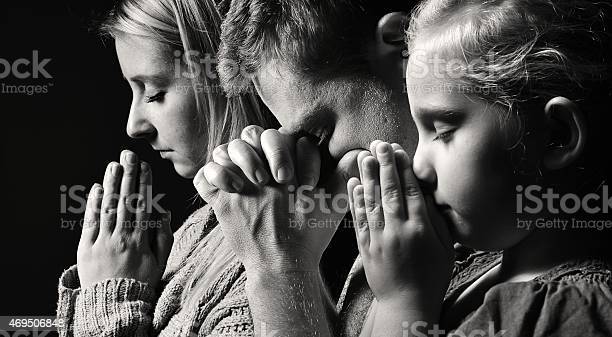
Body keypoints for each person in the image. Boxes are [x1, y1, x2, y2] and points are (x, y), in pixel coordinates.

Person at [344, 0, 612, 336]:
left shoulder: (574, 312)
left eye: (442, 131)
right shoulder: (465, 265)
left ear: (557, 136)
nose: (419, 167)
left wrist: (402, 298)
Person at [193, 0, 420, 336]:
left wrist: (277, 267)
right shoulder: (390, 236)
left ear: (400, 46)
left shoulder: (486, 240)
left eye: (319, 133)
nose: (319, 163)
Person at [55, 0, 272, 335]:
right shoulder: (194, 234)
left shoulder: (272, 256)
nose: (133, 125)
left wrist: (108, 300)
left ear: (227, 74)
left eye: (154, 93)